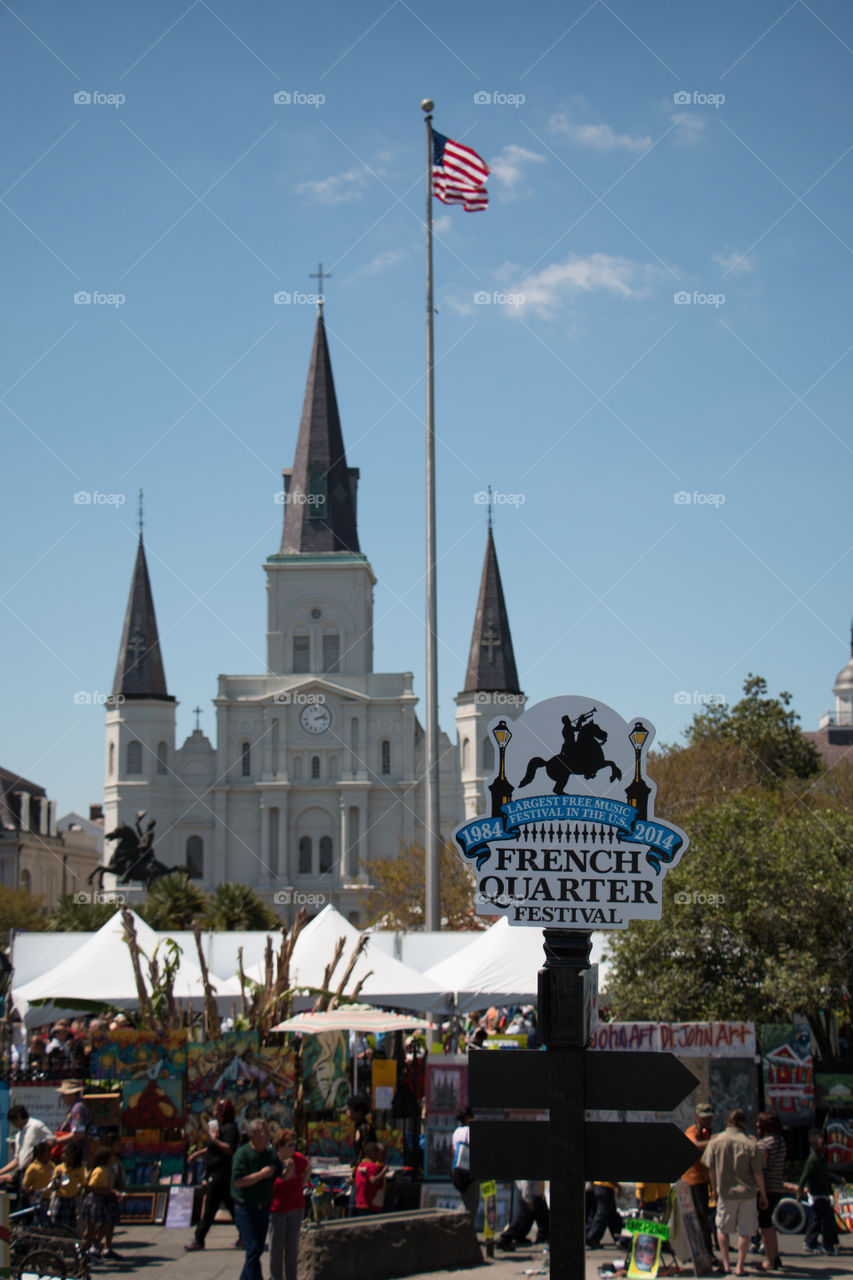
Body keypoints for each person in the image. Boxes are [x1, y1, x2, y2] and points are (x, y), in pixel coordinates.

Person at [703, 1108, 767, 1276]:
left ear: (727, 1121)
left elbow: (711, 1168)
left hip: (725, 1191)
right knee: (745, 1231)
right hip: (747, 1193)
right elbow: (757, 1172)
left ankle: (726, 1264)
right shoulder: (750, 1143)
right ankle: (740, 1265)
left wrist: (714, 1189)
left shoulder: (717, 1141)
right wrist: (763, 1193)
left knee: (722, 1228)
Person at [185, 1097, 241, 1251]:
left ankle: (199, 1239)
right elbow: (212, 1148)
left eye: (218, 1108)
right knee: (231, 1206)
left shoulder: (230, 1128)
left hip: (221, 1173)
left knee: (210, 1207)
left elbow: (229, 1148)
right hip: (217, 1172)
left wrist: (215, 1140)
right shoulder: (220, 1126)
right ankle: (245, 1235)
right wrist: (198, 1154)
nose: (214, 1111)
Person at [231, 1118, 282, 1280]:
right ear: (252, 1135)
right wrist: (261, 1175)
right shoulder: (243, 1154)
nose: (267, 1136)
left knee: (258, 1249)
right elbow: (238, 1181)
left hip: (263, 1207)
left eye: (267, 1132)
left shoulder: (270, 1153)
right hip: (245, 1208)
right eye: (263, 1133)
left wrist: (292, 1168)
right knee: (253, 1248)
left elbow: (281, 1173)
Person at [268, 1129, 311, 1280]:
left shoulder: (298, 1159)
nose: (292, 1149)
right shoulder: (274, 1161)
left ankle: (292, 1277)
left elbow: (308, 1169)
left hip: (296, 1206)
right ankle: (276, 1277)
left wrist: (303, 1182)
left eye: (293, 1145)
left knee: (292, 1247)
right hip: (278, 1208)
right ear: (279, 1147)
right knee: (276, 1248)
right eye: (288, 1145)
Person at [797, 1129, 839, 1256]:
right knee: (827, 1220)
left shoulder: (821, 1159)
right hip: (817, 1195)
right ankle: (827, 1245)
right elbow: (804, 1176)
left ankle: (811, 1242)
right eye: (822, 1144)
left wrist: (837, 1179)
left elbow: (825, 1175)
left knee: (817, 1219)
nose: (825, 1147)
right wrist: (799, 1192)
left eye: (825, 1144)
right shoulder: (813, 1160)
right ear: (815, 1147)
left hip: (823, 1194)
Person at [684, 1103, 716, 1256]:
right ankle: (704, 1252)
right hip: (693, 1180)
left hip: (705, 1179)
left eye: (709, 1118)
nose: (708, 1121)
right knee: (700, 1216)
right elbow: (695, 1146)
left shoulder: (708, 1133)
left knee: (706, 1217)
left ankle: (705, 1251)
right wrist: (714, 1141)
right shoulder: (692, 1131)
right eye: (704, 1118)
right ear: (697, 1117)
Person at [80, 1144, 121, 1261]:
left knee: (103, 1225)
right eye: (111, 1157)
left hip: (103, 1199)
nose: (113, 1158)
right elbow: (91, 1186)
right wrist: (109, 1191)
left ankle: (91, 1247)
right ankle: (89, 1246)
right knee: (96, 1226)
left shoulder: (106, 1169)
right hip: (96, 1200)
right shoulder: (100, 1171)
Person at [756, 1111, 785, 1270]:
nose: (757, 1126)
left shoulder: (764, 1145)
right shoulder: (780, 1142)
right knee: (769, 1224)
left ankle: (770, 1259)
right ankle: (775, 1256)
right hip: (777, 1187)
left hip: (765, 1190)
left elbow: (760, 1168)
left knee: (765, 1226)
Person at [0, 1104, 54, 1189]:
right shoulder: (19, 1135)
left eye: (14, 1121)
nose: (14, 1124)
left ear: (19, 1117)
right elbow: (17, 1160)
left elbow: (52, 1139)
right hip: (23, 1172)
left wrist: (39, 1153)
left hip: (37, 1169)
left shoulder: (36, 1125)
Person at [497, 1179, 550, 1251]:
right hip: (530, 1196)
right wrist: (528, 1200)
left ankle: (521, 1236)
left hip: (537, 1196)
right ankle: (505, 1238)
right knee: (522, 1220)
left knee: (536, 1218)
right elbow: (526, 1184)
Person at [49, 1138, 87, 1233]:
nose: (63, 1156)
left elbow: (83, 1184)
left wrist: (80, 1191)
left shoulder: (80, 1170)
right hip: (59, 1198)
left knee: (71, 1224)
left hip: (72, 1199)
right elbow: (53, 1185)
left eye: (66, 1154)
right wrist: (56, 1181)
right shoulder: (59, 1168)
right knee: (57, 1223)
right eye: (63, 1153)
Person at [451, 1107, 479, 1224]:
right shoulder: (471, 1131)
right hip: (469, 1171)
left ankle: (459, 1225)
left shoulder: (456, 1132)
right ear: (468, 1118)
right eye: (473, 1117)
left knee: (466, 1199)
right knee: (471, 1204)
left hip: (457, 1171)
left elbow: (453, 1151)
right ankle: (461, 1227)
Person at [20, 1140, 55, 1221]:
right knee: (38, 1220)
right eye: (48, 1152)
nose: (51, 1154)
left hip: (49, 1199)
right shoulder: (33, 1168)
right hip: (38, 1200)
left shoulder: (52, 1165)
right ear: (41, 1154)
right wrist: (32, 1195)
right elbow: (25, 1185)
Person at [586, 1181, 623, 1248]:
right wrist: (619, 1187)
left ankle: (619, 1238)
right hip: (605, 1187)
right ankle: (592, 1238)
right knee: (602, 1215)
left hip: (601, 1187)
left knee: (612, 1215)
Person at [354, 1142, 387, 1214]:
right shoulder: (373, 1167)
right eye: (378, 1153)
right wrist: (383, 1171)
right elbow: (373, 1180)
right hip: (371, 1205)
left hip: (360, 1203)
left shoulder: (360, 1165)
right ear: (372, 1153)